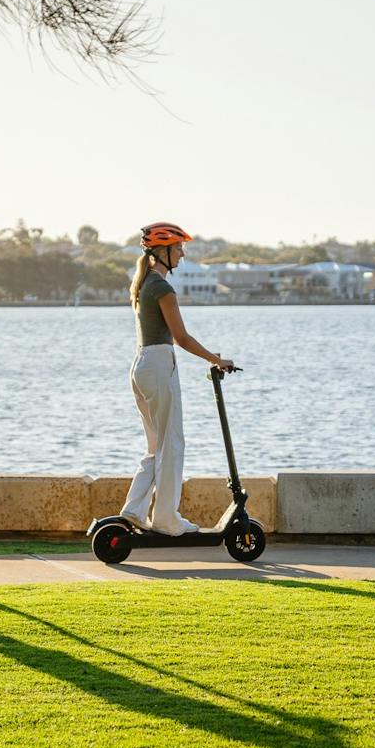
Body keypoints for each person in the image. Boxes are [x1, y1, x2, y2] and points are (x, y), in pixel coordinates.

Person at [119, 222, 236, 534]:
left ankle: (134, 510)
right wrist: (216, 359)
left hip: (142, 365)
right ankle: (166, 518)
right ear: (163, 252)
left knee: (156, 447)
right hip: (159, 366)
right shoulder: (162, 288)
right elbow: (181, 338)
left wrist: (210, 356)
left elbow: (170, 335)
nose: (183, 254)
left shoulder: (144, 284)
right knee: (171, 445)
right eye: (178, 248)